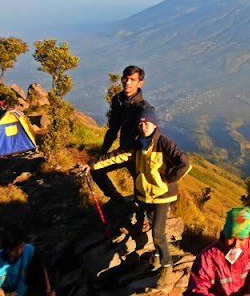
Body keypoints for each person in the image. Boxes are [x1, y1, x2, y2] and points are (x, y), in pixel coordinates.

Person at [82, 105, 191, 289]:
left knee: (157, 231)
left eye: (147, 122)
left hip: (162, 195)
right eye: (140, 123)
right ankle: (156, 258)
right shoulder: (137, 143)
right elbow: (116, 156)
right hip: (145, 195)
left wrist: (168, 178)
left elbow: (184, 164)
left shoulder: (164, 143)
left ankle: (166, 266)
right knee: (153, 228)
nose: (143, 126)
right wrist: (92, 165)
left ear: (154, 124)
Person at [185, 207, 250, 296]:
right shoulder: (208, 257)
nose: (236, 245)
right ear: (225, 233)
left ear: (248, 236)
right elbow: (197, 288)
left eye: (241, 239)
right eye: (231, 238)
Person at [93, 65, 150, 202]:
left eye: (132, 79)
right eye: (125, 78)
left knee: (141, 190)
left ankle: (141, 220)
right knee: (95, 169)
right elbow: (113, 129)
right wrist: (102, 153)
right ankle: (116, 198)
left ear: (140, 83)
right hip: (121, 152)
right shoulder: (117, 100)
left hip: (136, 155)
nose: (127, 82)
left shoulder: (143, 107)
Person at [0, 225, 56, 296]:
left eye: (21, 246)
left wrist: (49, 291)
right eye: (13, 249)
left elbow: (40, 272)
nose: (18, 252)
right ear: (5, 248)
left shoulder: (29, 251)